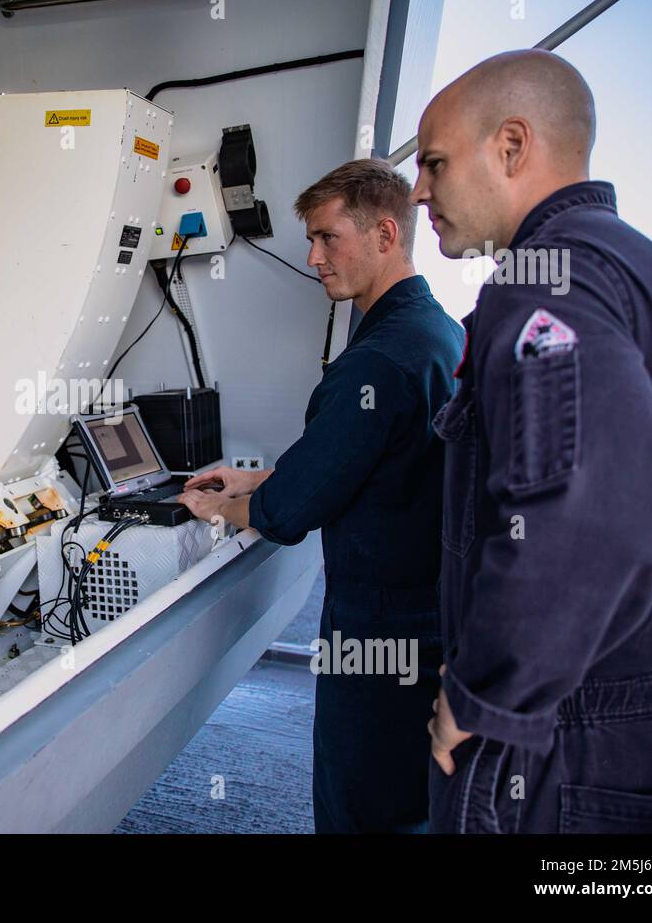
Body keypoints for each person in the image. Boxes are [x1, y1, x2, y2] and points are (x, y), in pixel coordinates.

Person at [413, 49, 652, 833]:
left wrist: (488, 693)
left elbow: (606, 512)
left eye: (435, 163)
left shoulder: (545, 281)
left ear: (511, 147)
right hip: (642, 722)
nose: (419, 191)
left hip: (555, 756)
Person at [178, 158, 464, 832]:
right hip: (433, 620)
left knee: (359, 809)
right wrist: (264, 477)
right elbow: (377, 464)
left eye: (328, 238)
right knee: (412, 803)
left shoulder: (376, 360)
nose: (312, 257)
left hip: (378, 632)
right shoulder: (438, 334)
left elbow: (290, 515)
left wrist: (222, 505)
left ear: (386, 234)